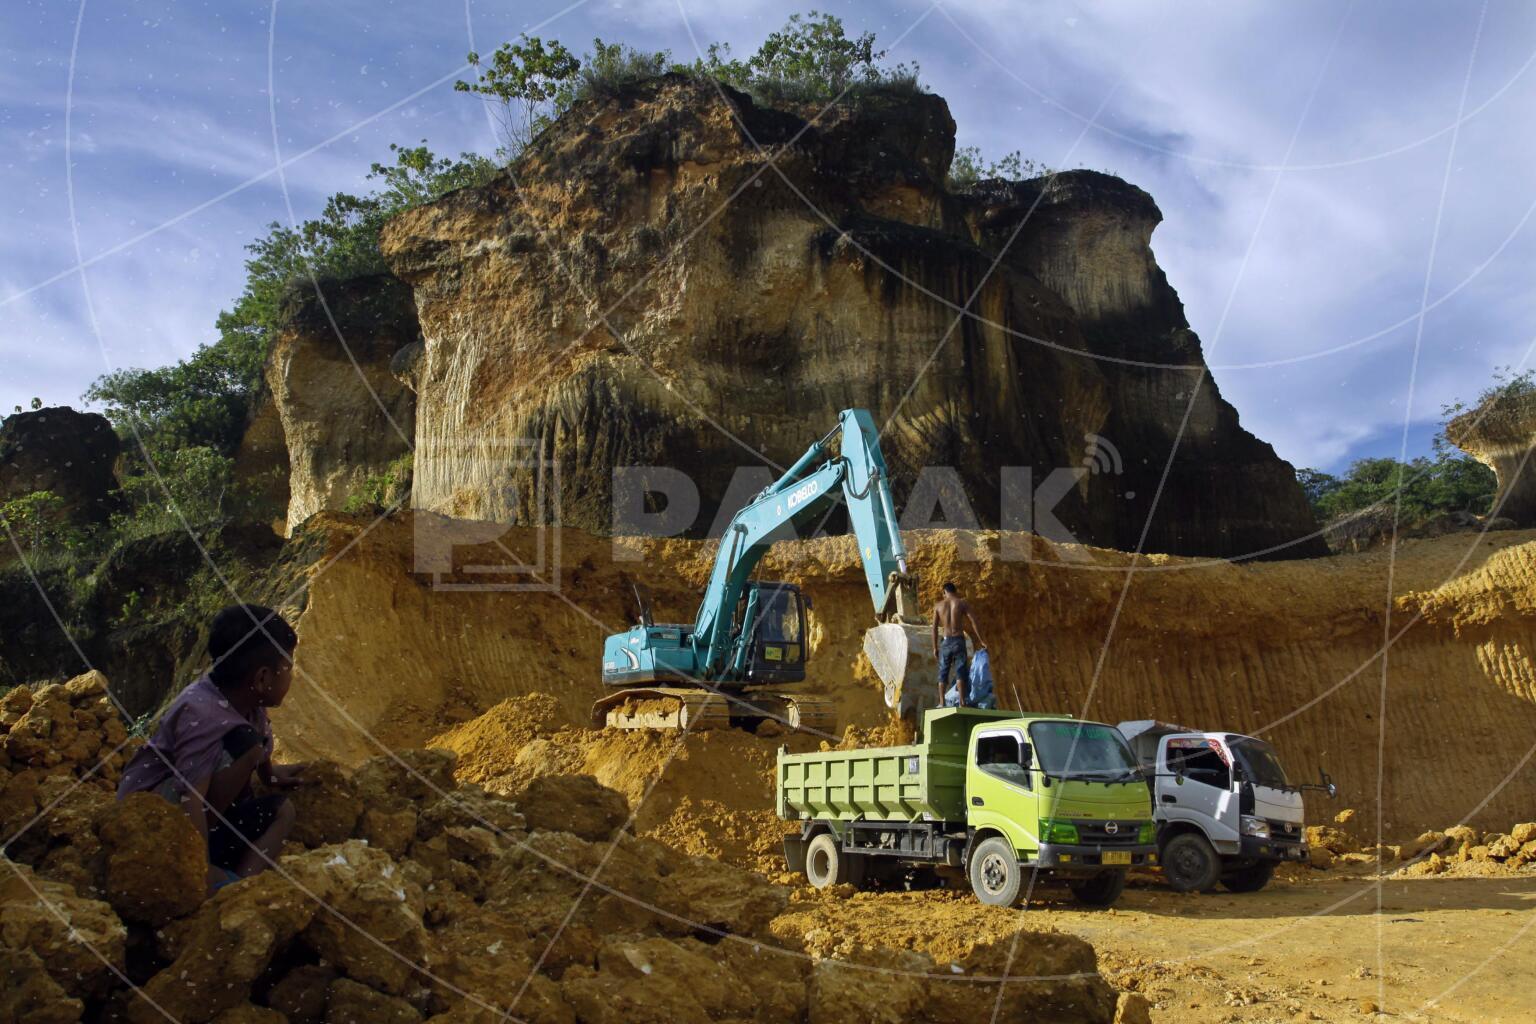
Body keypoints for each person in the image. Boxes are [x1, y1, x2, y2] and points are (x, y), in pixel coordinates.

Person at [117, 604, 307, 896]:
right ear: (262, 678)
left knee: (284, 811)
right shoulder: (201, 713)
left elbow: (262, 741)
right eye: (288, 668)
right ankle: (206, 879)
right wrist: (199, 868)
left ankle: (241, 889)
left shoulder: (245, 700)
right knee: (246, 746)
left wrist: (270, 776)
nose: (292, 677)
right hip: (155, 816)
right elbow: (189, 797)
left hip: (203, 811)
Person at [932, 581, 985, 708]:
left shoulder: (938, 606)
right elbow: (973, 621)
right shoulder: (961, 603)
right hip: (958, 641)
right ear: (955, 591)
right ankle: (962, 701)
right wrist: (981, 640)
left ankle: (942, 703)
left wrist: (935, 647)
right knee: (960, 670)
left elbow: (933, 628)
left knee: (943, 672)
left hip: (945, 642)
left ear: (944, 592)